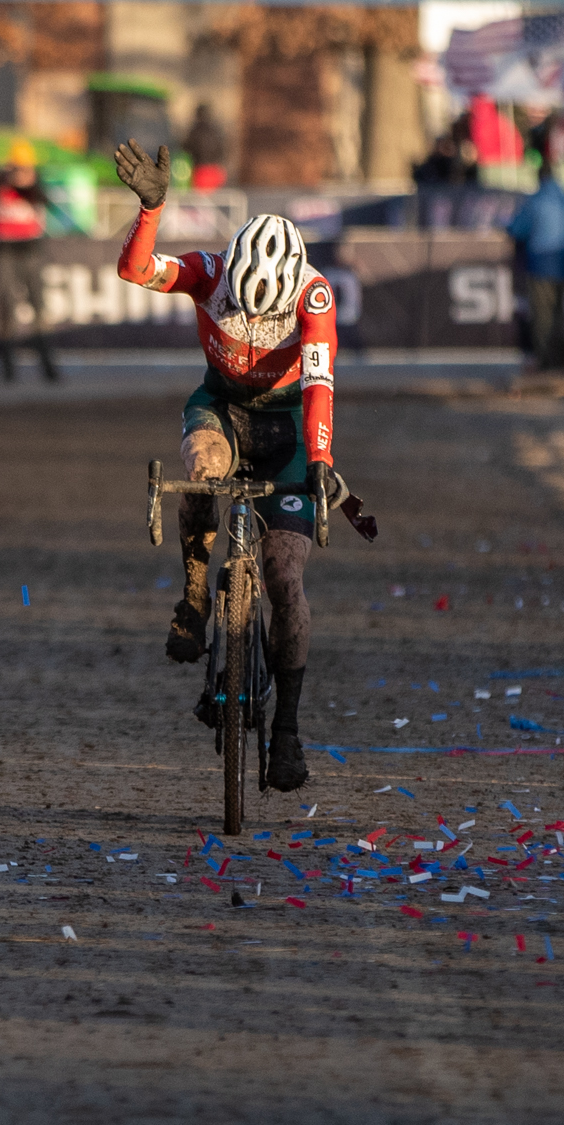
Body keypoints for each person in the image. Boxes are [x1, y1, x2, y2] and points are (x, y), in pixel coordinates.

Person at [112, 138, 338, 794]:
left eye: (261, 312)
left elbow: (320, 383)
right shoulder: (209, 270)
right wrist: (152, 209)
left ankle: (288, 731)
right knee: (201, 466)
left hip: (288, 427)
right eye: (237, 304)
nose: (245, 320)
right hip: (221, 408)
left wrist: (320, 461)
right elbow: (135, 270)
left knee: (284, 577)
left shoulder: (315, 299)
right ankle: (192, 595)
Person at [502, 139, 564, 371]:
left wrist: (507, 226)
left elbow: (518, 228)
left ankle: (545, 360)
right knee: (561, 313)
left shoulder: (536, 201)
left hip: (541, 264)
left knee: (543, 316)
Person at [0, 139, 56, 382]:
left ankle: (47, 365)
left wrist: (29, 183)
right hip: (4, 249)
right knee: (5, 308)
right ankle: (8, 368)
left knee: (38, 306)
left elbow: (46, 202)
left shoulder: (36, 184)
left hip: (30, 249)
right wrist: (4, 181)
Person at [184, 103, 229, 191]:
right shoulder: (216, 130)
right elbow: (224, 149)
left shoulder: (195, 131)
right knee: (217, 200)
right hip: (216, 169)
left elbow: (187, 148)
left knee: (200, 201)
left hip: (200, 170)